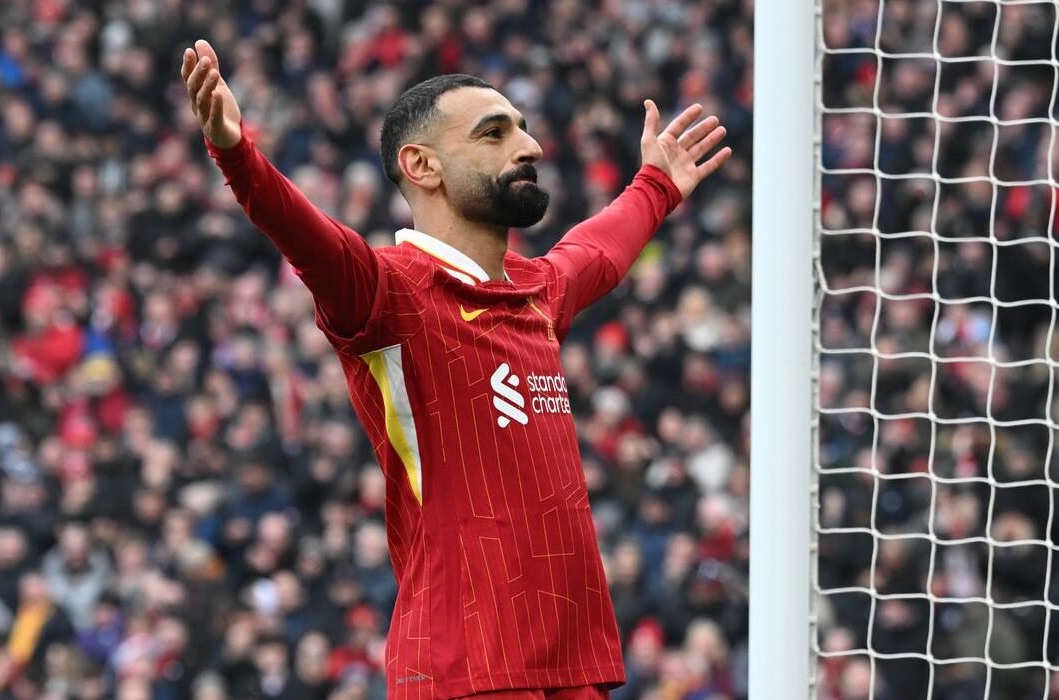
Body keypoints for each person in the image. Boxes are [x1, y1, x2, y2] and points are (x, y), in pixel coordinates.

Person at [180, 38, 731, 700]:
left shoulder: (537, 290)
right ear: (422, 165)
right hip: (463, 668)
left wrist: (656, 184)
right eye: (494, 133)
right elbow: (309, 240)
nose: (530, 147)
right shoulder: (388, 293)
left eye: (523, 128)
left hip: (571, 667)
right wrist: (236, 154)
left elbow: (599, 249)